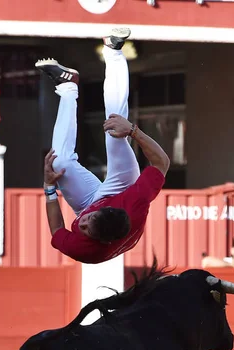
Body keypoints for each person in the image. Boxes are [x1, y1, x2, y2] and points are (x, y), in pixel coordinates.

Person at [37, 27, 170, 265]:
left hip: (93, 199)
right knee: (115, 129)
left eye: (85, 227)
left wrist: (49, 187)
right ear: (107, 210)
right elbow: (162, 162)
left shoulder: (85, 251)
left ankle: (67, 87)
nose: (83, 220)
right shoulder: (135, 200)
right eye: (90, 219)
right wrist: (132, 130)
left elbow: (57, 229)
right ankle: (114, 51)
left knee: (59, 163)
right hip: (122, 188)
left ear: (99, 239)